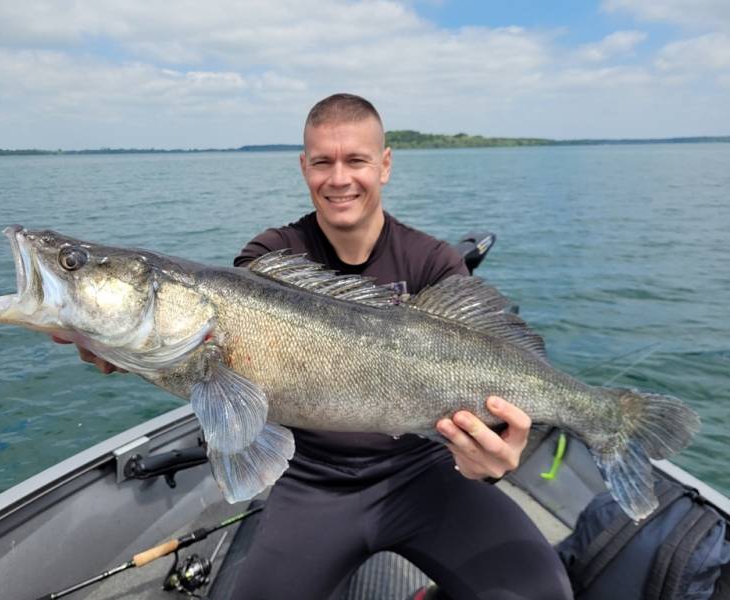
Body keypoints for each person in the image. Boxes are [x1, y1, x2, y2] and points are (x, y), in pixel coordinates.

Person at [58, 93, 573, 599]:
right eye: (323, 162)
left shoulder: (434, 263)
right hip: (312, 479)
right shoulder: (270, 257)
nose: (340, 178)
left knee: (540, 591)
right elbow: (217, 365)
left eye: (357, 160)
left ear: (385, 165)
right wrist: (125, 350)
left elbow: (488, 386)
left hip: (425, 469)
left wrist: (495, 459)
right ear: (304, 168)